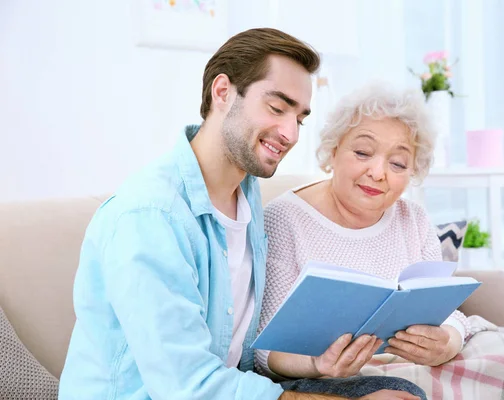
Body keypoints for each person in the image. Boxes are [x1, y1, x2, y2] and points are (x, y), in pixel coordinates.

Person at [58, 28, 425, 400]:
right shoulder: (150, 217)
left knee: (399, 393)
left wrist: (318, 364)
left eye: (298, 119)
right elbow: (188, 387)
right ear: (222, 93)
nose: (290, 133)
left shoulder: (247, 201)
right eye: (277, 108)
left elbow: (241, 353)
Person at [257, 83, 470, 380]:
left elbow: (449, 315)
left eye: (397, 163)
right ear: (333, 151)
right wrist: (318, 364)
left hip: (414, 369)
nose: (378, 173)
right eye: (362, 152)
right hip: (330, 382)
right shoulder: (283, 219)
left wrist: (448, 342)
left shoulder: (414, 219)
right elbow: (266, 349)